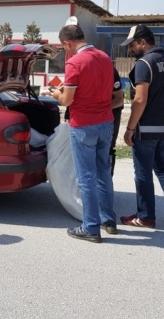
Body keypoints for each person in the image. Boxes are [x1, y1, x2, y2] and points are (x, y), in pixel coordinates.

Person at [49, 23, 117, 243]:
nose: (65, 51)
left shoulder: (74, 62)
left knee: (86, 177)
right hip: (106, 122)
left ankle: (90, 227)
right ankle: (109, 220)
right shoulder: (105, 57)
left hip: (83, 125)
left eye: (64, 46)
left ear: (67, 42)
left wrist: (54, 95)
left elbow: (67, 100)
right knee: (103, 174)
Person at [120, 24, 164, 228]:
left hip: (147, 130)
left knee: (143, 173)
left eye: (132, 45)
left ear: (142, 42)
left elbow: (140, 99)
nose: (130, 49)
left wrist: (130, 129)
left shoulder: (144, 64)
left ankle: (145, 216)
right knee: (163, 168)